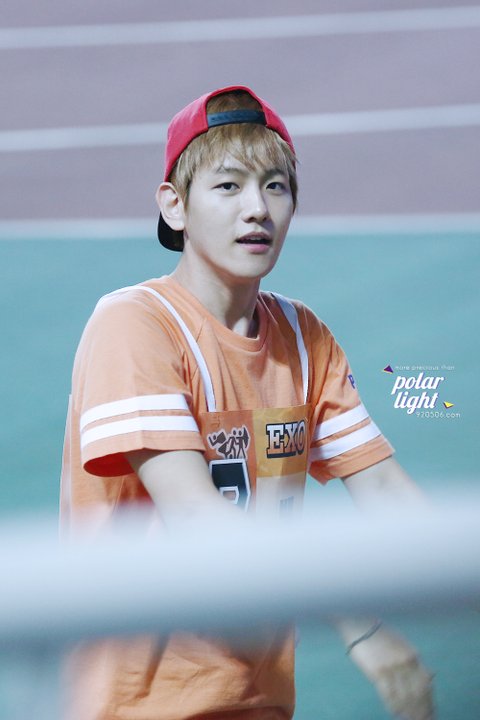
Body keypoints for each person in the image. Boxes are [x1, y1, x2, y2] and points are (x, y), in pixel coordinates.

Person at [60, 85, 434, 719]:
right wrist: (360, 625)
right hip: (138, 705)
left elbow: (390, 495)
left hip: (260, 699)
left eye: (275, 186)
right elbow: (199, 520)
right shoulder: (134, 324)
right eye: (228, 186)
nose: (257, 209)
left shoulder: (304, 336)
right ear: (174, 206)